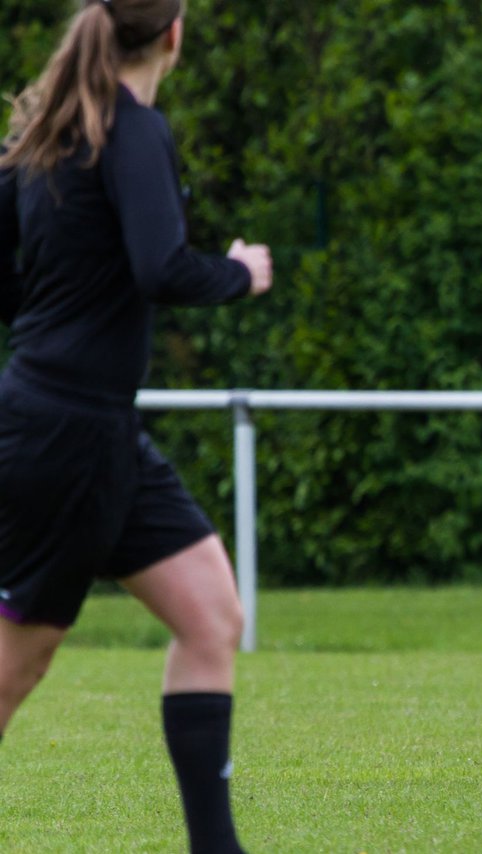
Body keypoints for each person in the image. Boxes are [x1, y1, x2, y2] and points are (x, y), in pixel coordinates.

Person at [0, 1, 272, 850]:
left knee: (210, 614)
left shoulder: (50, 138)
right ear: (175, 34)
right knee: (17, 668)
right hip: (67, 440)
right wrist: (238, 273)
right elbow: (161, 267)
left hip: (93, 432)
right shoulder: (129, 128)